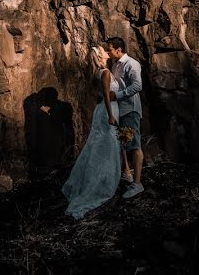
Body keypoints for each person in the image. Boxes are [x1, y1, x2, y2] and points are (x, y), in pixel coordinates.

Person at [61, 46, 124, 219]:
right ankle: (102, 183)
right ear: (99, 56)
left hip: (104, 110)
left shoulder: (100, 72)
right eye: (103, 51)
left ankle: (101, 178)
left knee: (101, 146)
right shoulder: (104, 73)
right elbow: (105, 95)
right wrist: (111, 116)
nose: (106, 52)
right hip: (107, 111)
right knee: (107, 147)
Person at [106, 37, 144, 198]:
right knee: (123, 143)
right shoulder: (115, 64)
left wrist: (118, 95)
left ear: (118, 49)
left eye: (109, 49)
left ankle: (137, 184)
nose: (108, 52)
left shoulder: (131, 64)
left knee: (134, 145)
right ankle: (127, 173)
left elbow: (137, 86)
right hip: (119, 110)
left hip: (130, 109)